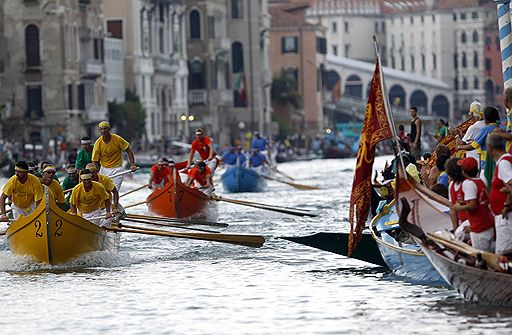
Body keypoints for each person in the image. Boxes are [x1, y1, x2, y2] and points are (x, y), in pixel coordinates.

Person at [450, 157, 495, 252]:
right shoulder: (480, 181)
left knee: (481, 255)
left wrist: (458, 207)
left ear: (464, 172)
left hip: (479, 227)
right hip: (486, 223)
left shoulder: (469, 184)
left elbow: (473, 205)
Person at [91, 121, 137, 192]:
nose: (103, 131)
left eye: (105, 129)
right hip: (104, 169)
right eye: (101, 129)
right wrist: (96, 172)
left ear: (109, 129)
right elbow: (95, 161)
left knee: (114, 191)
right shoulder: (98, 143)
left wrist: (132, 165)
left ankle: (114, 201)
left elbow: (129, 151)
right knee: (102, 192)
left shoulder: (117, 139)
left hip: (117, 169)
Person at [487, 133, 512, 255]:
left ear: (489, 147)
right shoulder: (505, 160)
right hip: (503, 215)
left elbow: (511, 184)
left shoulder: (503, 163)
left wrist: (507, 204)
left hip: (506, 216)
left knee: (503, 253)